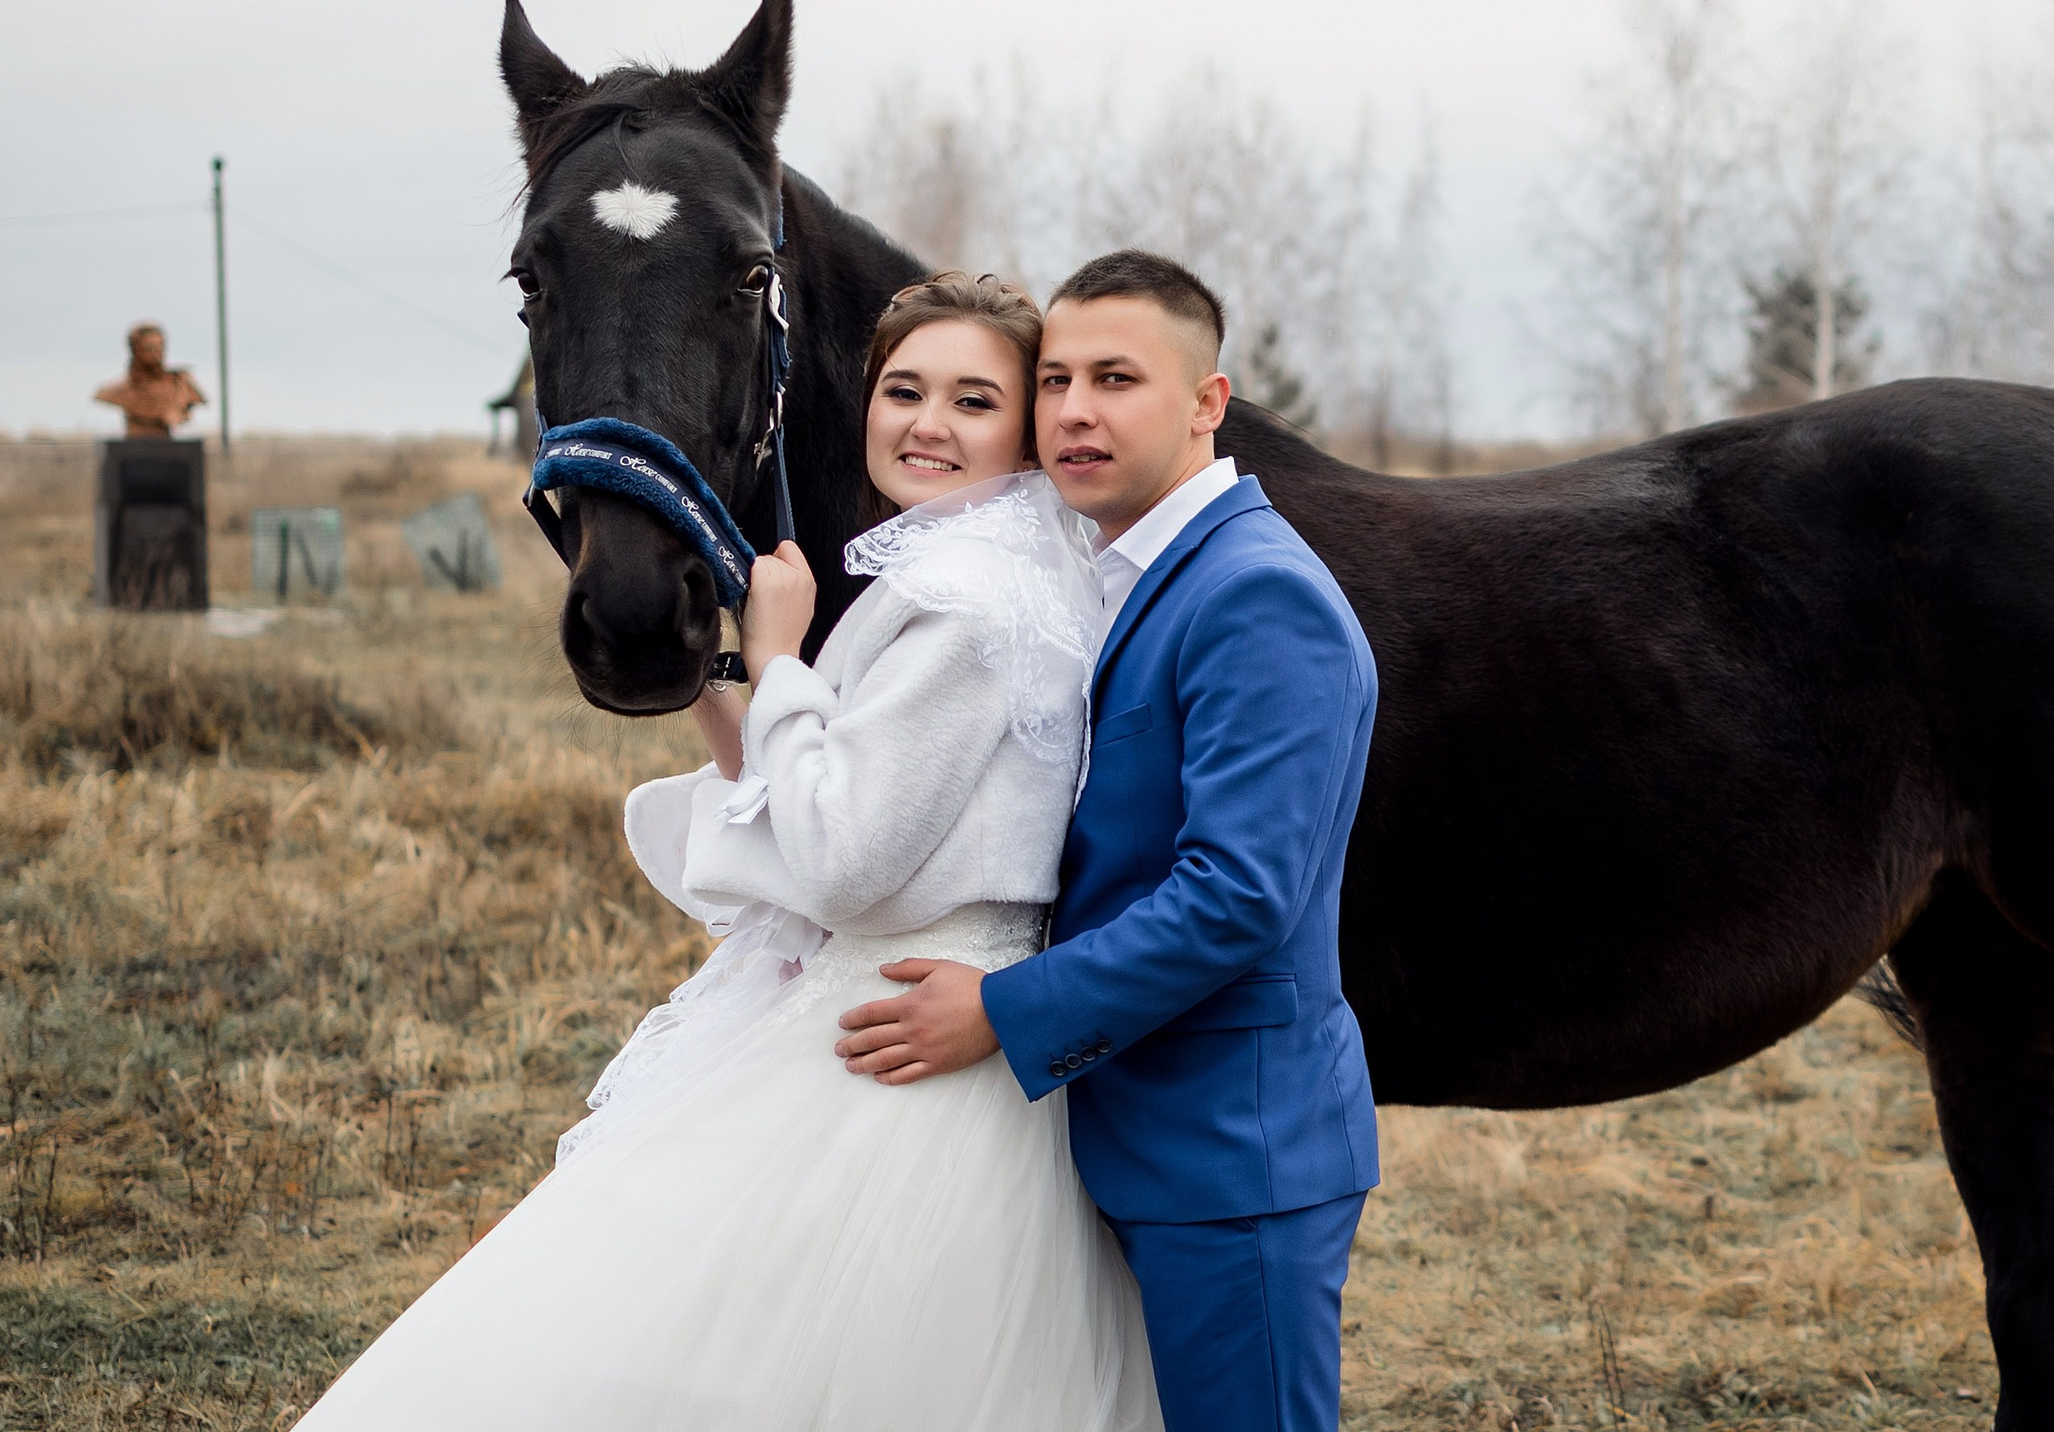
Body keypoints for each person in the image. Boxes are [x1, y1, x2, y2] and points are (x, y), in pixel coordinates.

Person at [294, 272, 1161, 1432]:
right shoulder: (996, 572)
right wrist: (721, 674)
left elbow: (845, 856)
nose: (926, 424)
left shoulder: (962, 602)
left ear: (1024, 429)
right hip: (932, 1011)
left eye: (971, 401)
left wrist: (784, 657)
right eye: (902, 390)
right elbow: (846, 789)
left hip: (892, 1029)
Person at [832, 250, 1382, 1432]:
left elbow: (1237, 897)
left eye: (1120, 378)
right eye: (1059, 379)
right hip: (1136, 1132)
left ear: (1206, 402)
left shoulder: (1254, 594)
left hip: (1235, 1153)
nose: (1077, 410)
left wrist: (1002, 1008)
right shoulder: (1133, 573)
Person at [92, 323, 206, 438]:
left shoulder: (180, 385)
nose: (157, 355)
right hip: (133, 446)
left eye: (160, 348)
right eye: (150, 349)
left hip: (166, 447)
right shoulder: (116, 390)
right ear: (136, 350)